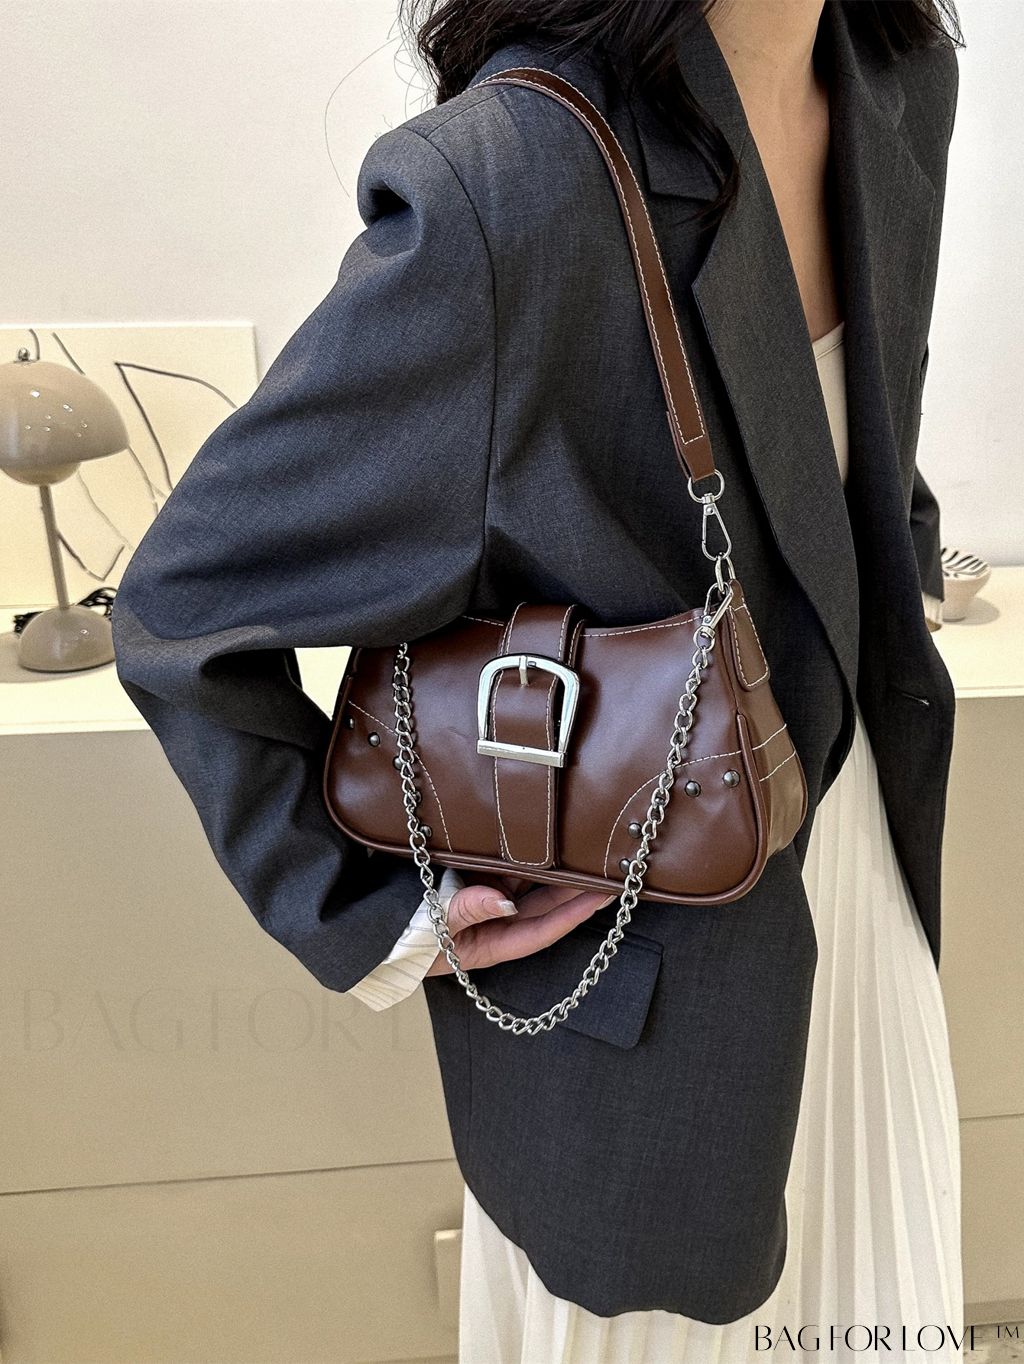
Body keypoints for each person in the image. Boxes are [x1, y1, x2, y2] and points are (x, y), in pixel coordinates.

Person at [110, 0, 965, 1359]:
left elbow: (853, 428)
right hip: (638, 1007)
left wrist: (894, 564)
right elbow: (187, 602)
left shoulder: (893, 80)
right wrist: (380, 914)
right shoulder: (517, 182)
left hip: (868, 900)